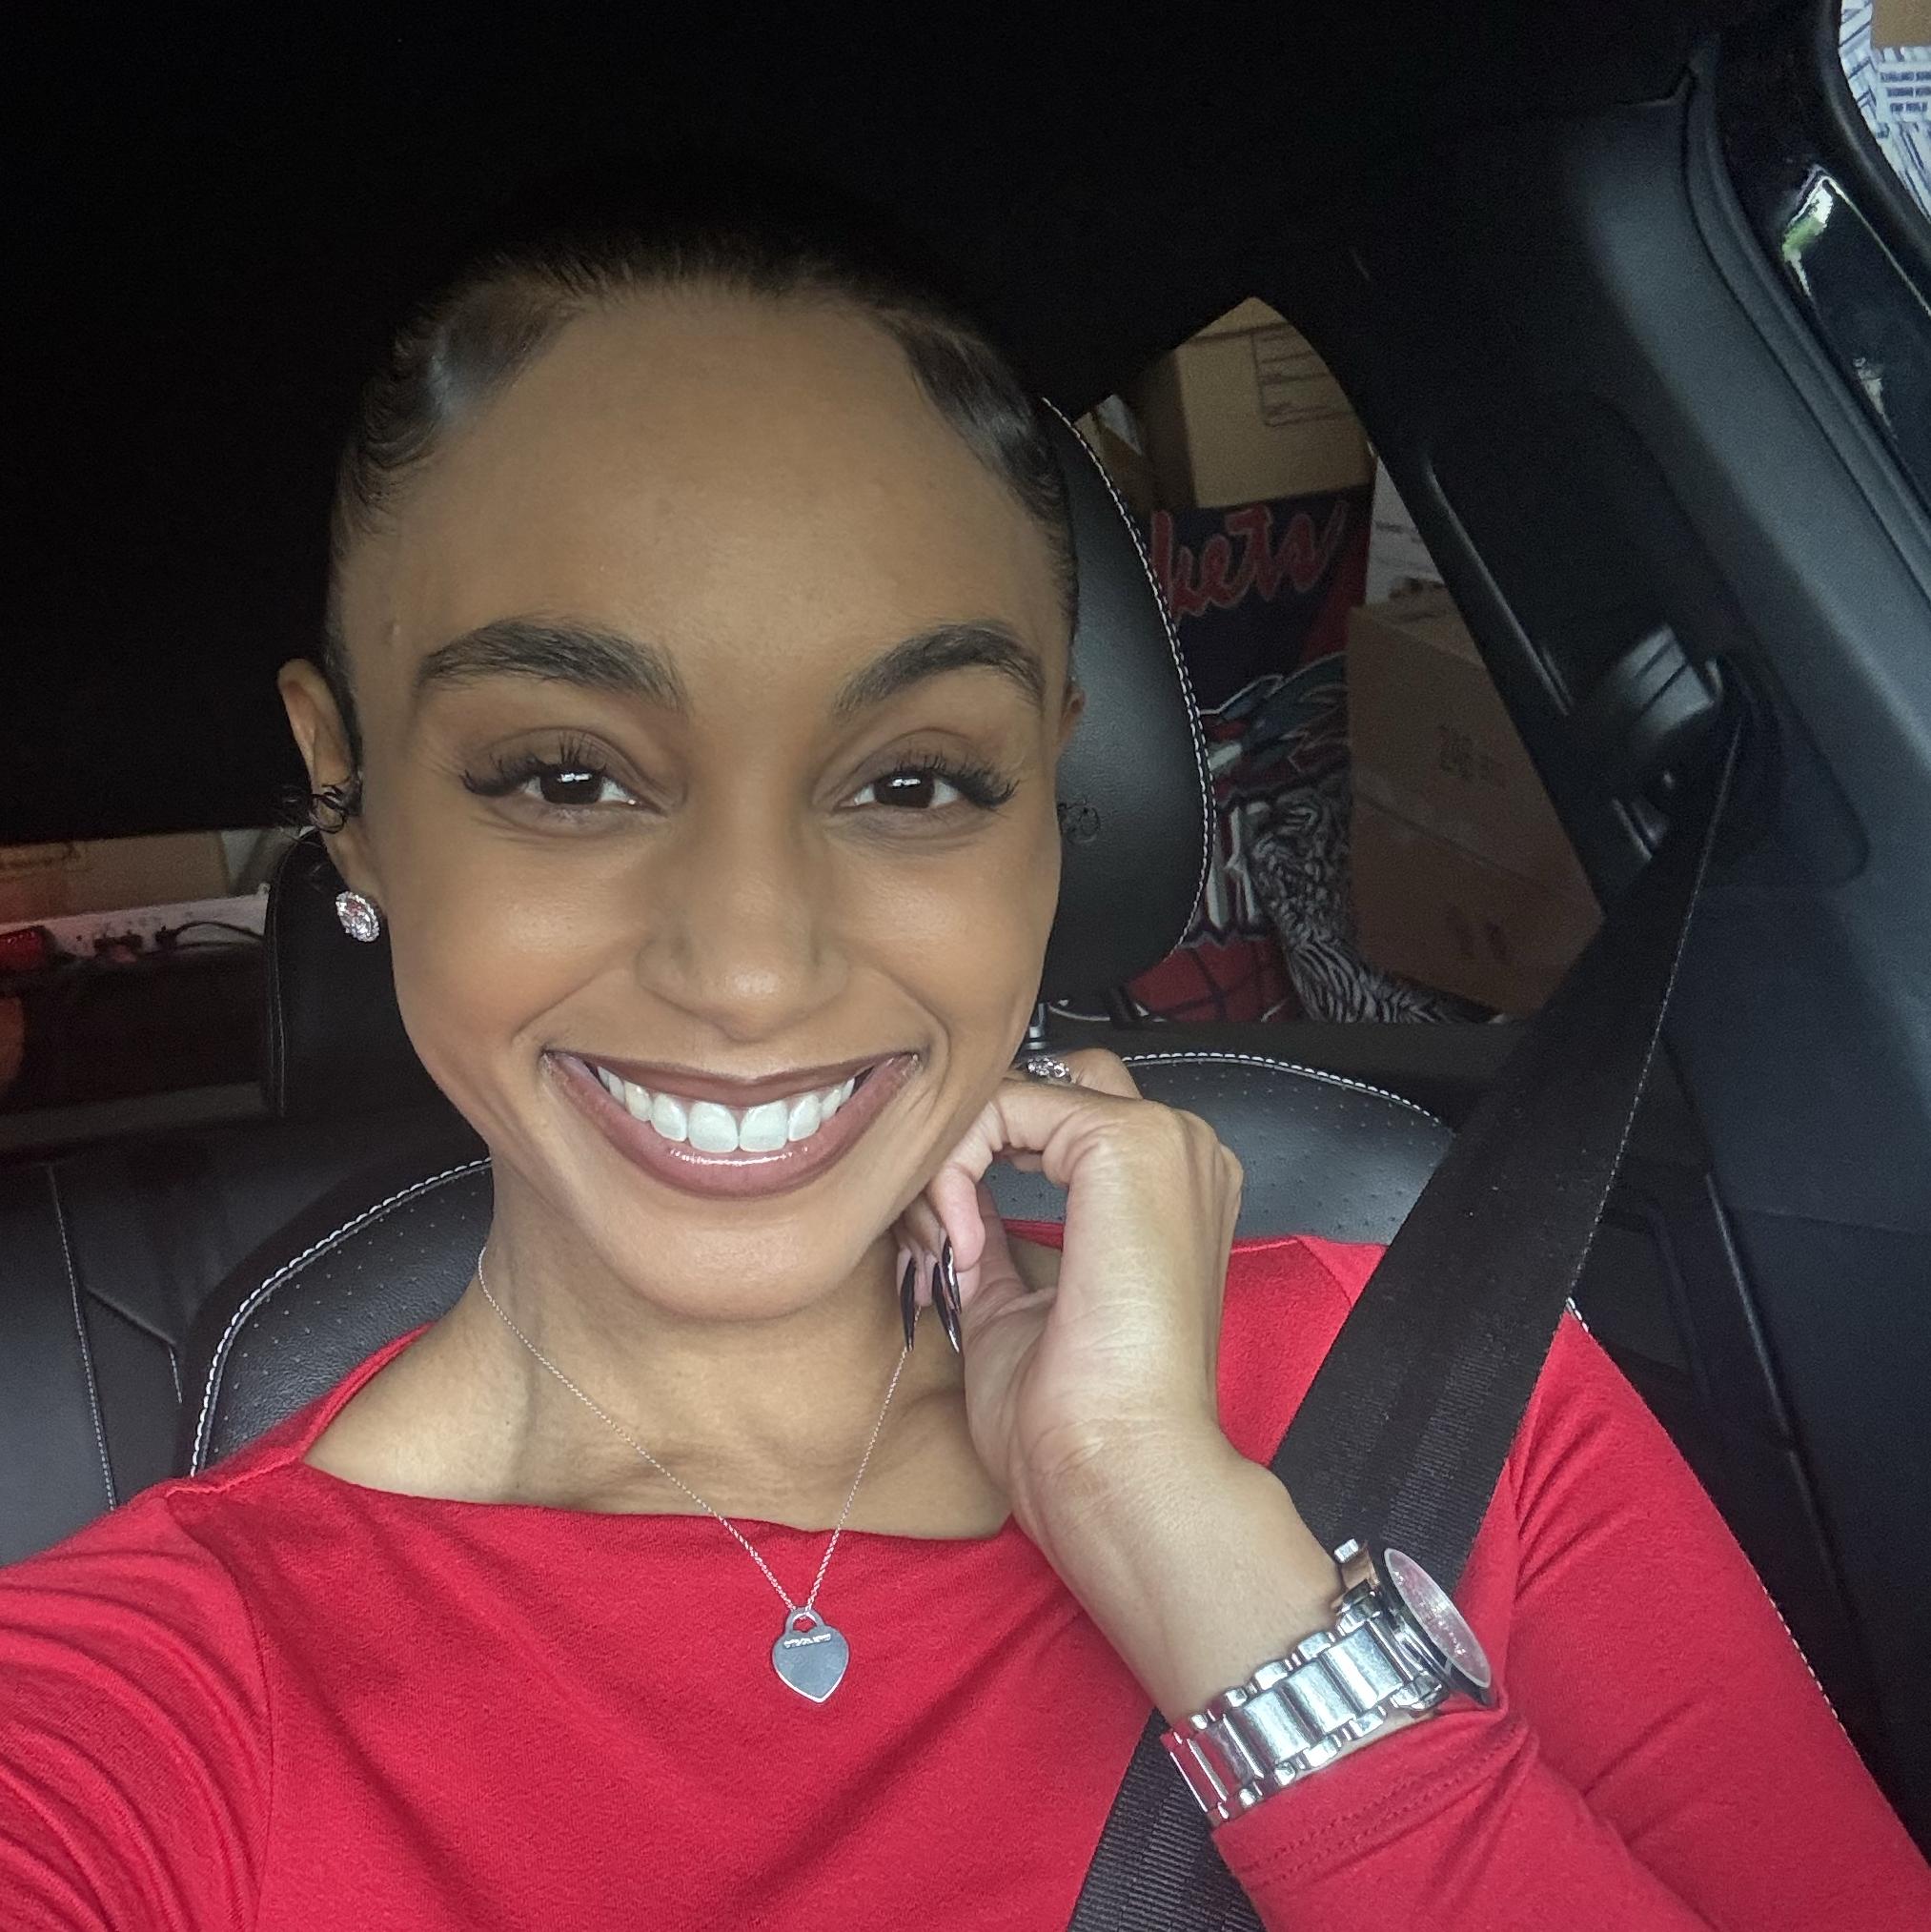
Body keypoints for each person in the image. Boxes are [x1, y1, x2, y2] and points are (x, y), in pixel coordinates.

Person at [2, 160, 1928, 1932]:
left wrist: (1197, 1558)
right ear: (344, 789)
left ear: (1046, 789)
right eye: (568, 776)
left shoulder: (1439, 1384)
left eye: (913, 778)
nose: (749, 969)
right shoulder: (139, 1714)